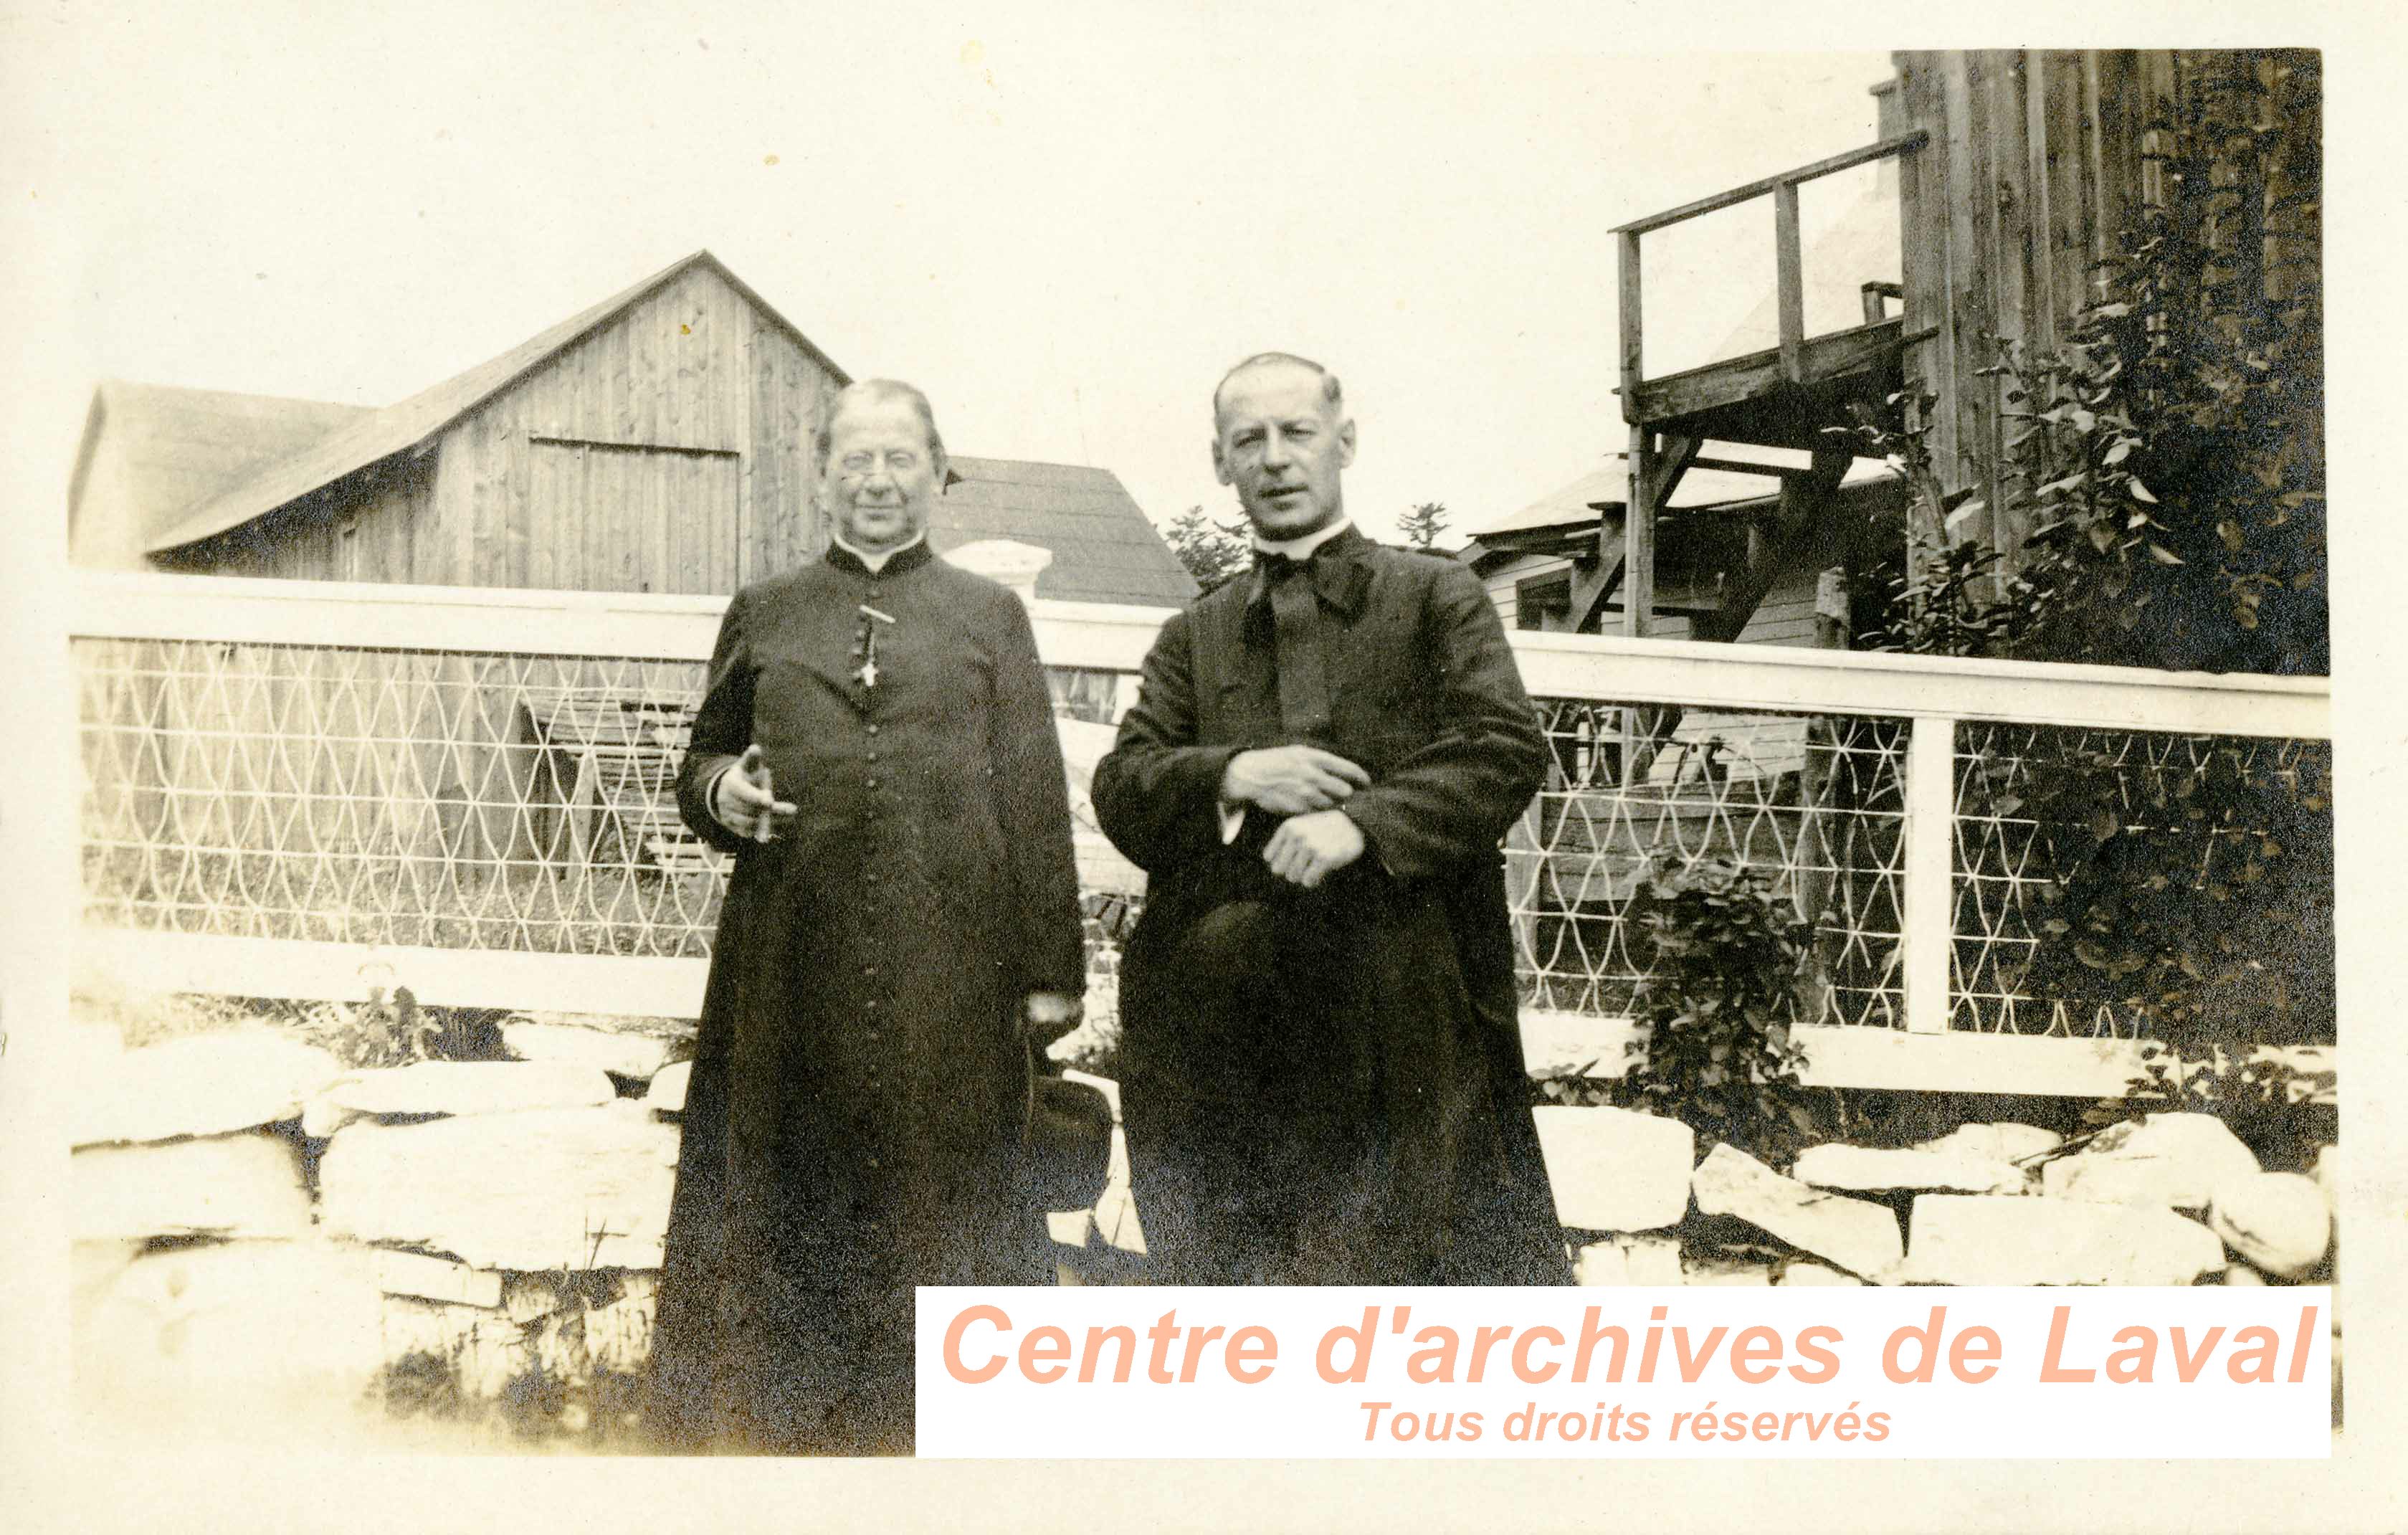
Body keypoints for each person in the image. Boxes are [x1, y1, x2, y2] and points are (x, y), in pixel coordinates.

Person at [645, 379, 1088, 1455]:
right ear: (823, 473)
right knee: (789, 1183)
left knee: (948, 1189)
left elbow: (1033, 792)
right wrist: (723, 794)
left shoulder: (992, 614)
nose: (878, 478)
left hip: (954, 955)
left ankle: (942, 1425)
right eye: (856, 458)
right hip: (792, 953)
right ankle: (781, 1419)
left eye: (900, 457)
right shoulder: (765, 608)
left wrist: (1050, 970)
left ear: (939, 471)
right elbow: (698, 764)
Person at [1090, 352, 1569, 1287]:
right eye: (1248, 440)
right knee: (1238, 1301)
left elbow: (1505, 745)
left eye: (1296, 432)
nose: (1274, 458)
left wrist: (1366, 824)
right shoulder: (1197, 632)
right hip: (1222, 1036)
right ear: (1222, 463)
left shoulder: (1435, 597)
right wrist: (1236, 773)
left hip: (1400, 1030)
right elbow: (1125, 784)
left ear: (1342, 441)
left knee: (1398, 1296)